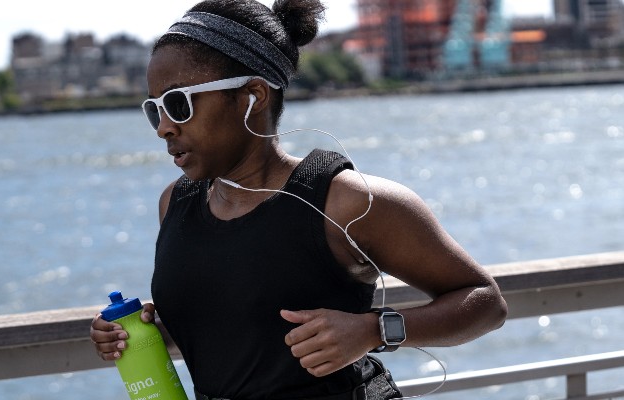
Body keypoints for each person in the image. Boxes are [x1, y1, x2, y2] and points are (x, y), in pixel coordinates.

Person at [90, 0, 507, 399]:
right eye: (153, 109)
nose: (163, 127)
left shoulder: (345, 200)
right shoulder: (176, 204)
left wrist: (373, 330)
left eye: (178, 104)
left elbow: (485, 303)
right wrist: (148, 335)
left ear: (253, 95)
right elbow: (244, 339)